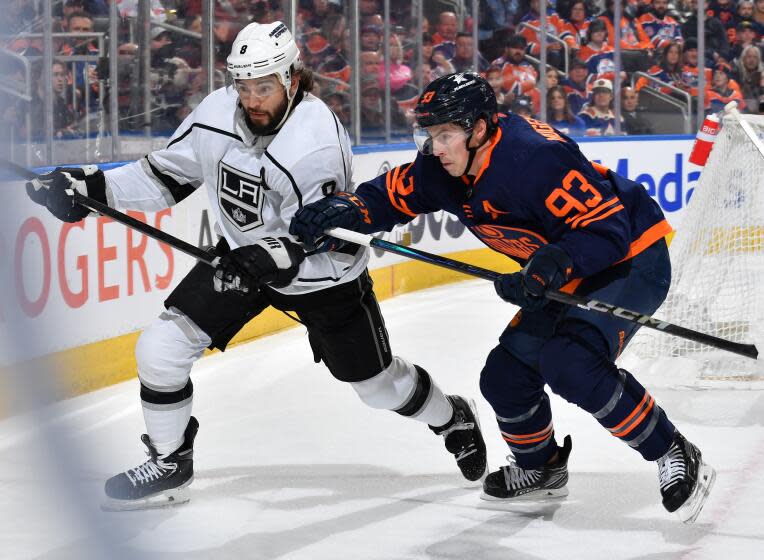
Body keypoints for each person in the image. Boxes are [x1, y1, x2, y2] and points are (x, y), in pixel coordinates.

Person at [25, 22, 487, 511]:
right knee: (160, 348)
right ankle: (170, 461)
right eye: (243, 86)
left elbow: (320, 238)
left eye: (263, 86)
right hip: (245, 259)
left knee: (378, 388)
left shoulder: (315, 141)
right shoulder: (218, 111)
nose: (251, 99)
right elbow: (165, 175)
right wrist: (93, 189)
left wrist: (262, 256)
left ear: (292, 79)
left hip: (324, 277)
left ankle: (451, 417)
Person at [289, 72, 716, 523]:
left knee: (569, 362)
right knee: (505, 377)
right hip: (563, 266)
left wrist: (548, 268)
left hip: (629, 258)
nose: (435, 147)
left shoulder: (535, 159)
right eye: (430, 134)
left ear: (479, 128)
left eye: (446, 134)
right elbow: (395, 195)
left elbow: (605, 233)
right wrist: (349, 211)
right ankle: (542, 469)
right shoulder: (442, 165)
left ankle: (673, 449)